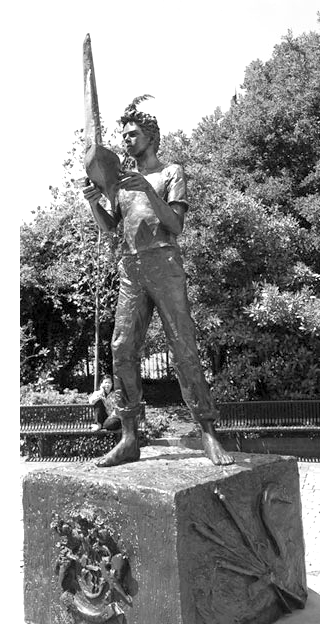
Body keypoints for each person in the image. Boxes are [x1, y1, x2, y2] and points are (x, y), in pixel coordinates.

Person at [83, 98, 234, 467]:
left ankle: (208, 432)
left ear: (151, 138)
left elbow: (175, 225)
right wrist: (93, 203)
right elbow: (112, 228)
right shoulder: (119, 184)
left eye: (133, 135)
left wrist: (148, 189)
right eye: (124, 136)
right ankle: (130, 436)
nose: (127, 141)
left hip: (165, 262)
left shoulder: (171, 173)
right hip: (131, 267)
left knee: (183, 344)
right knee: (121, 347)